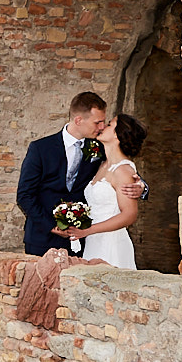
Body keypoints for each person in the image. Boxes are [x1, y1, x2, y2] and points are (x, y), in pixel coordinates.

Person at [16, 92, 144, 256]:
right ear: (78, 120)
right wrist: (51, 226)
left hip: (83, 243)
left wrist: (141, 187)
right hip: (42, 239)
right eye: (97, 122)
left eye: (104, 122)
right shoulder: (40, 149)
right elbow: (24, 195)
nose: (101, 127)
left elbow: (123, 169)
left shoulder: (100, 148)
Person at [51, 114, 148, 269]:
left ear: (118, 135)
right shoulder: (102, 163)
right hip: (93, 241)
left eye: (109, 124)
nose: (103, 127)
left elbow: (129, 215)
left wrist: (88, 230)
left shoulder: (123, 170)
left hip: (111, 243)